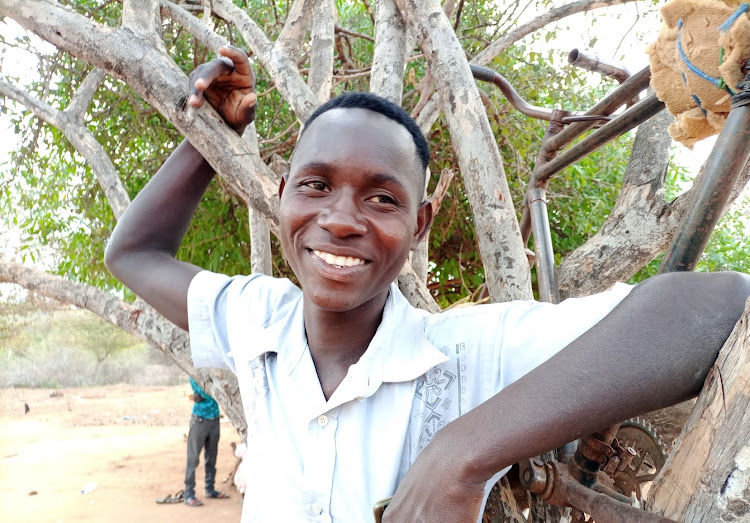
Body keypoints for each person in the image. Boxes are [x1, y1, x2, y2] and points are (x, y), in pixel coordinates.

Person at [104, 46, 750, 522]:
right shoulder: (256, 318)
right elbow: (132, 252)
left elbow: (716, 302)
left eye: (381, 198)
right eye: (316, 185)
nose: (340, 220)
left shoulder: (470, 351)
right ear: (282, 197)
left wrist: (460, 450)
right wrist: (207, 139)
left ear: (419, 224)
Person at [183, 377, 229, 506]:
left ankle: (210, 489)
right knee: (193, 458)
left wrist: (205, 394)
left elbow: (205, 394)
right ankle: (188, 494)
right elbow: (206, 392)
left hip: (214, 419)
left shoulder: (212, 373)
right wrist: (212, 393)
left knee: (211, 457)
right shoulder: (195, 374)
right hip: (199, 420)